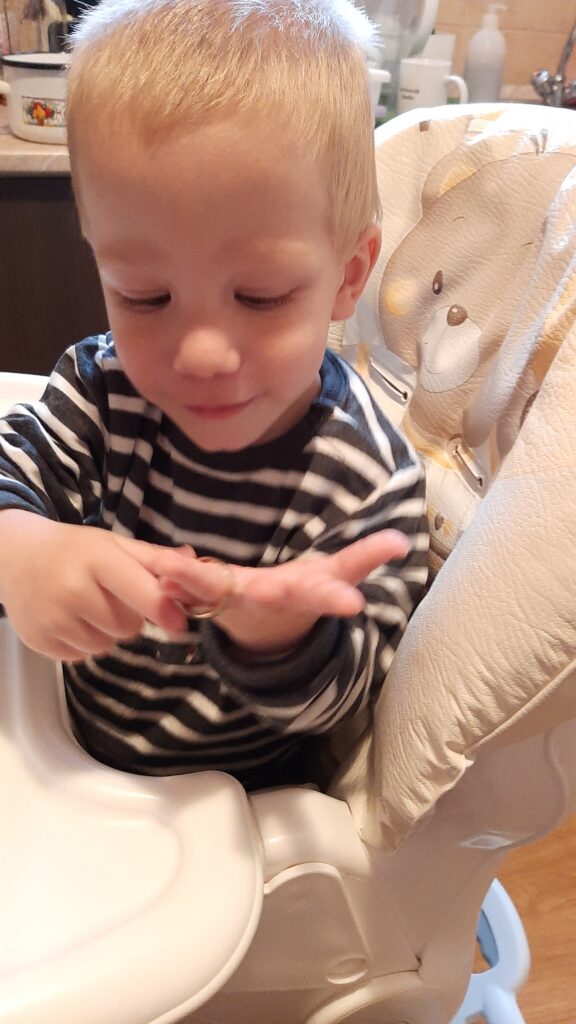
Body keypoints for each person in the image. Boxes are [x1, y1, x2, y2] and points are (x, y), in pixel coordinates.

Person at [0, 0, 428, 789]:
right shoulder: (103, 390)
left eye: (260, 297)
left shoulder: (366, 479)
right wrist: (19, 547)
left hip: (233, 813)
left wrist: (281, 635)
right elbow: (11, 470)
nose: (200, 353)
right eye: (145, 296)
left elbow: (346, 705)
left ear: (348, 275)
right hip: (66, 762)